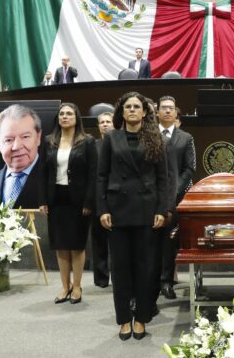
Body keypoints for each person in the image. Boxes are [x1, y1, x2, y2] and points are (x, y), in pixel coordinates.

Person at [97, 92, 167, 341]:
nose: (133, 110)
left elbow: (163, 179)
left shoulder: (155, 137)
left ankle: (142, 319)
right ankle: (124, 319)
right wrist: (102, 209)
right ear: (122, 111)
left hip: (147, 210)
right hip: (117, 210)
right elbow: (102, 176)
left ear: (145, 112)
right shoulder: (111, 137)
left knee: (145, 269)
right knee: (121, 269)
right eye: (128, 106)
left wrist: (162, 210)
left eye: (137, 106)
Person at [39, 103, 97, 305]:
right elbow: (43, 172)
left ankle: (78, 286)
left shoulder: (88, 142)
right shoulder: (49, 141)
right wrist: (43, 200)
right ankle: (65, 286)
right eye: (62, 114)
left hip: (79, 201)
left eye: (69, 114)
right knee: (60, 245)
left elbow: (93, 174)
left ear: (76, 118)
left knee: (76, 245)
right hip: (56, 198)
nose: (65, 117)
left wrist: (89, 200)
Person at [157, 96, 196, 301]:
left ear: (175, 113)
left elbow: (190, 168)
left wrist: (175, 191)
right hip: (150, 197)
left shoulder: (185, 137)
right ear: (157, 112)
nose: (167, 111)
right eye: (163, 108)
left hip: (176, 198)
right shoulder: (149, 135)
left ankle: (166, 281)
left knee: (168, 241)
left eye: (171, 108)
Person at [0, 104, 43, 210]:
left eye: (25, 137)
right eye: (8, 140)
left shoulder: (55, 180)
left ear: (38, 137)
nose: (16, 146)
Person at [92, 112, 114, 287]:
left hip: (117, 198)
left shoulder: (119, 143)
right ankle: (101, 279)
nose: (105, 124)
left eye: (108, 122)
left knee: (116, 241)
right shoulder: (93, 146)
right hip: (97, 197)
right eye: (102, 122)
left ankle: (118, 275)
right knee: (99, 241)